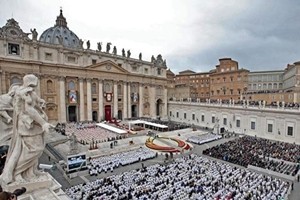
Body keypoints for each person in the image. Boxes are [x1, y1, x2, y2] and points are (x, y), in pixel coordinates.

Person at [0, 74, 54, 184]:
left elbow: (35, 101)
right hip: (28, 127)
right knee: (35, 149)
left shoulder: (26, 92)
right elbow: (29, 109)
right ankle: (17, 172)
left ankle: (31, 172)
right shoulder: (25, 93)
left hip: (31, 126)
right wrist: (43, 123)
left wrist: (40, 101)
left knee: (29, 149)